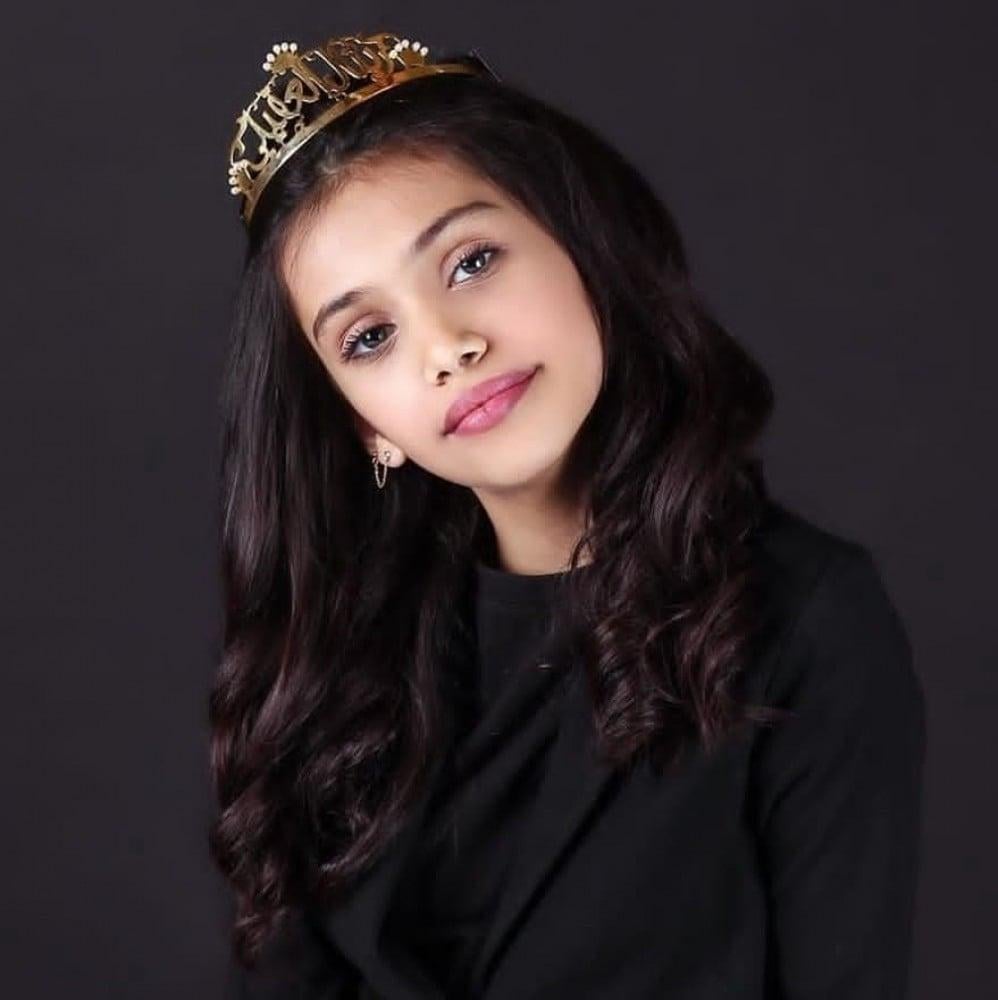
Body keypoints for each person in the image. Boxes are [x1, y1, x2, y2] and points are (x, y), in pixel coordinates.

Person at [210, 29, 926, 999]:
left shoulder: (803, 621)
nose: (447, 347)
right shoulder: (332, 660)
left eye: (470, 261)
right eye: (369, 336)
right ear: (362, 424)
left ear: (582, 246)